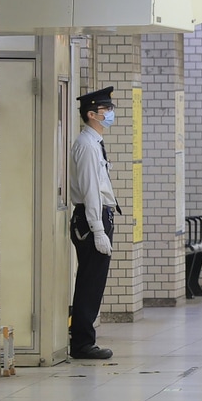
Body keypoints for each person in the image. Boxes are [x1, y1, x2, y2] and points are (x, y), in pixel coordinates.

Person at [69, 86, 121, 360]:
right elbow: (90, 191)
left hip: (97, 215)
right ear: (92, 114)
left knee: (93, 281)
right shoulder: (87, 146)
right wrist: (98, 230)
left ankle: (83, 339)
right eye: (106, 110)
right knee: (90, 282)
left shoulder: (93, 143)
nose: (110, 114)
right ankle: (82, 343)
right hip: (91, 219)